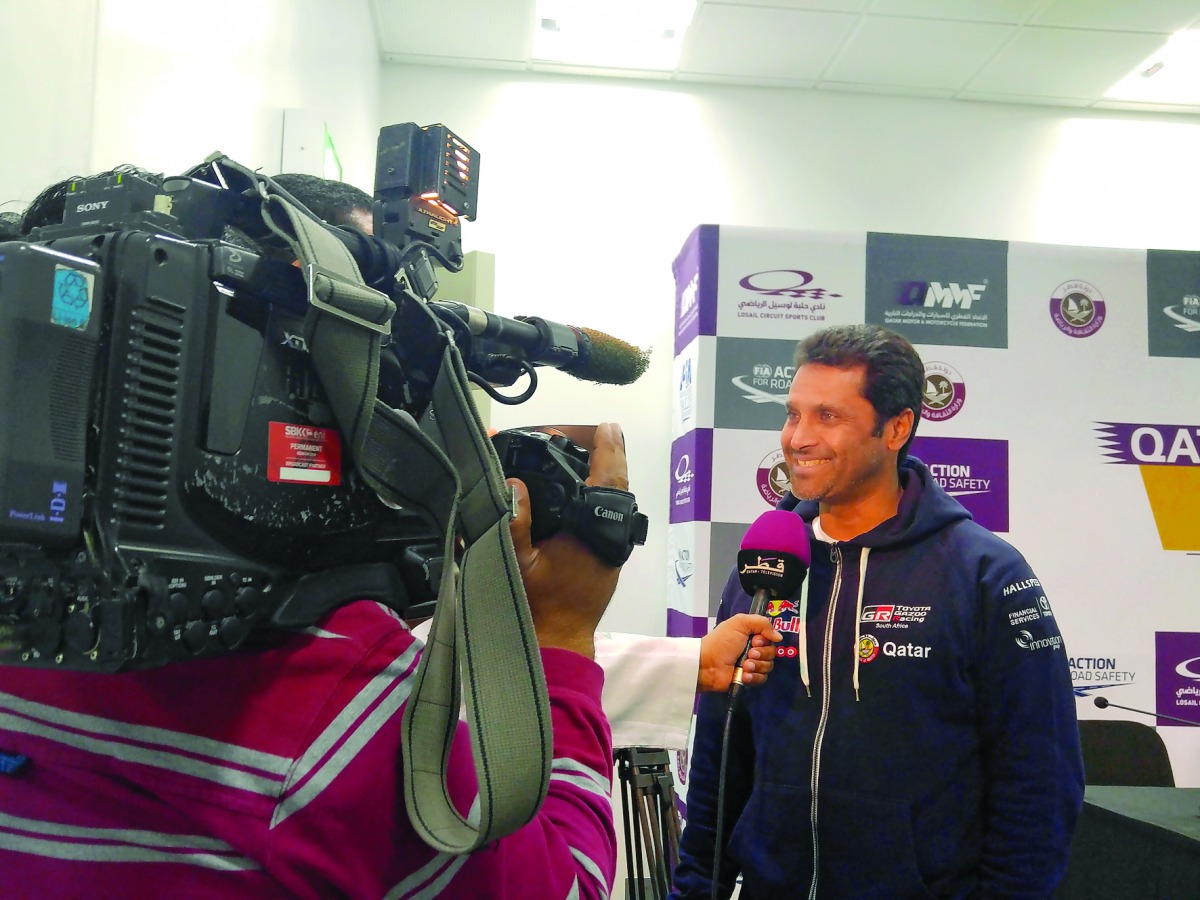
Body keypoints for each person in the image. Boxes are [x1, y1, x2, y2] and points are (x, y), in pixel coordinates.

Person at [671, 324, 1084, 899]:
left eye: (828, 417)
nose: (798, 438)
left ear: (897, 428)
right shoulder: (764, 569)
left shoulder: (984, 574)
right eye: (793, 414)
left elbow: (1040, 782)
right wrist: (694, 890)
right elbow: (720, 760)